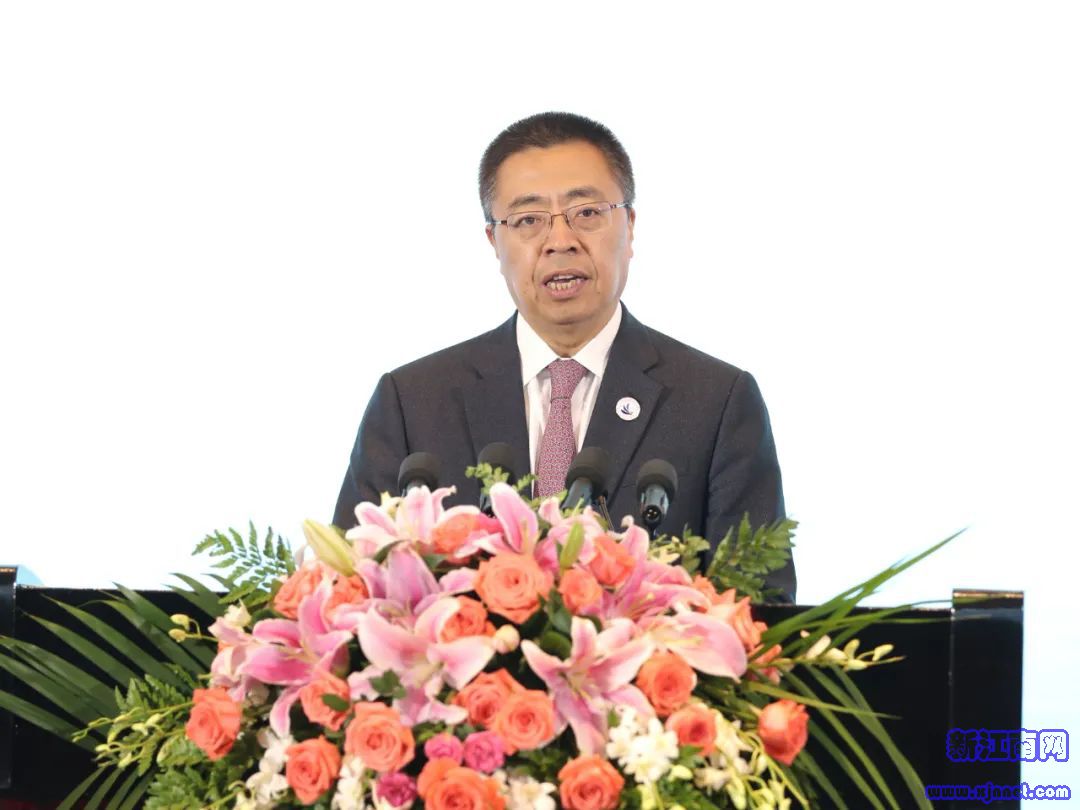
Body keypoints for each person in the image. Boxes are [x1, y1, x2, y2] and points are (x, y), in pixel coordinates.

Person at [333, 112, 796, 601]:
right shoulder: (412, 402)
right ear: (494, 241)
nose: (560, 241)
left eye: (587, 213)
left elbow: (760, 609)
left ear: (630, 225)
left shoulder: (716, 402)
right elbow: (348, 593)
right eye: (528, 220)